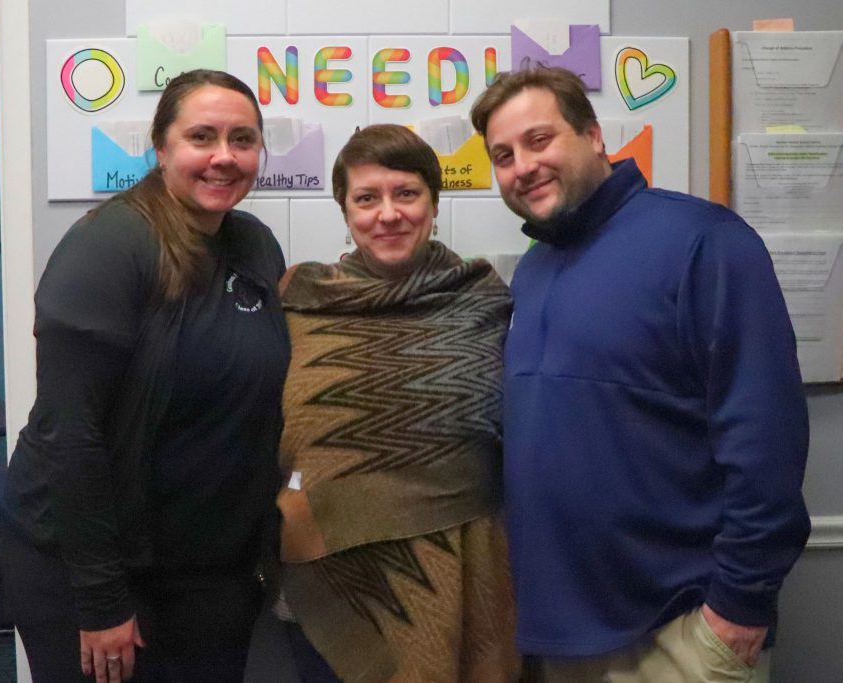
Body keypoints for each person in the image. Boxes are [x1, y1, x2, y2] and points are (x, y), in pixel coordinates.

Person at [469, 66, 811, 682]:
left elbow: (767, 438)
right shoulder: (534, 270)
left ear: (595, 136)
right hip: (564, 634)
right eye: (503, 155)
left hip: (679, 632)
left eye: (539, 140)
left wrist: (738, 603)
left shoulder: (703, 242)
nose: (522, 166)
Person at [1, 69, 290, 683]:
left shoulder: (256, 245)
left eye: (242, 139)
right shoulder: (111, 246)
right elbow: (69, 433)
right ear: (161, 148)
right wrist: (102, 599)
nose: (223, 156)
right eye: (201, 137)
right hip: (94, 568)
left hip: (207, 572)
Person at [275, 124, 519, 682]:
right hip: (333, 585)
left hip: (467, 578)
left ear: (433, 202)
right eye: (367, 198)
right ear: (345, 210)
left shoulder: (482, 299)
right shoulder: (301, 302)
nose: (387, 214)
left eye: (406, 194)